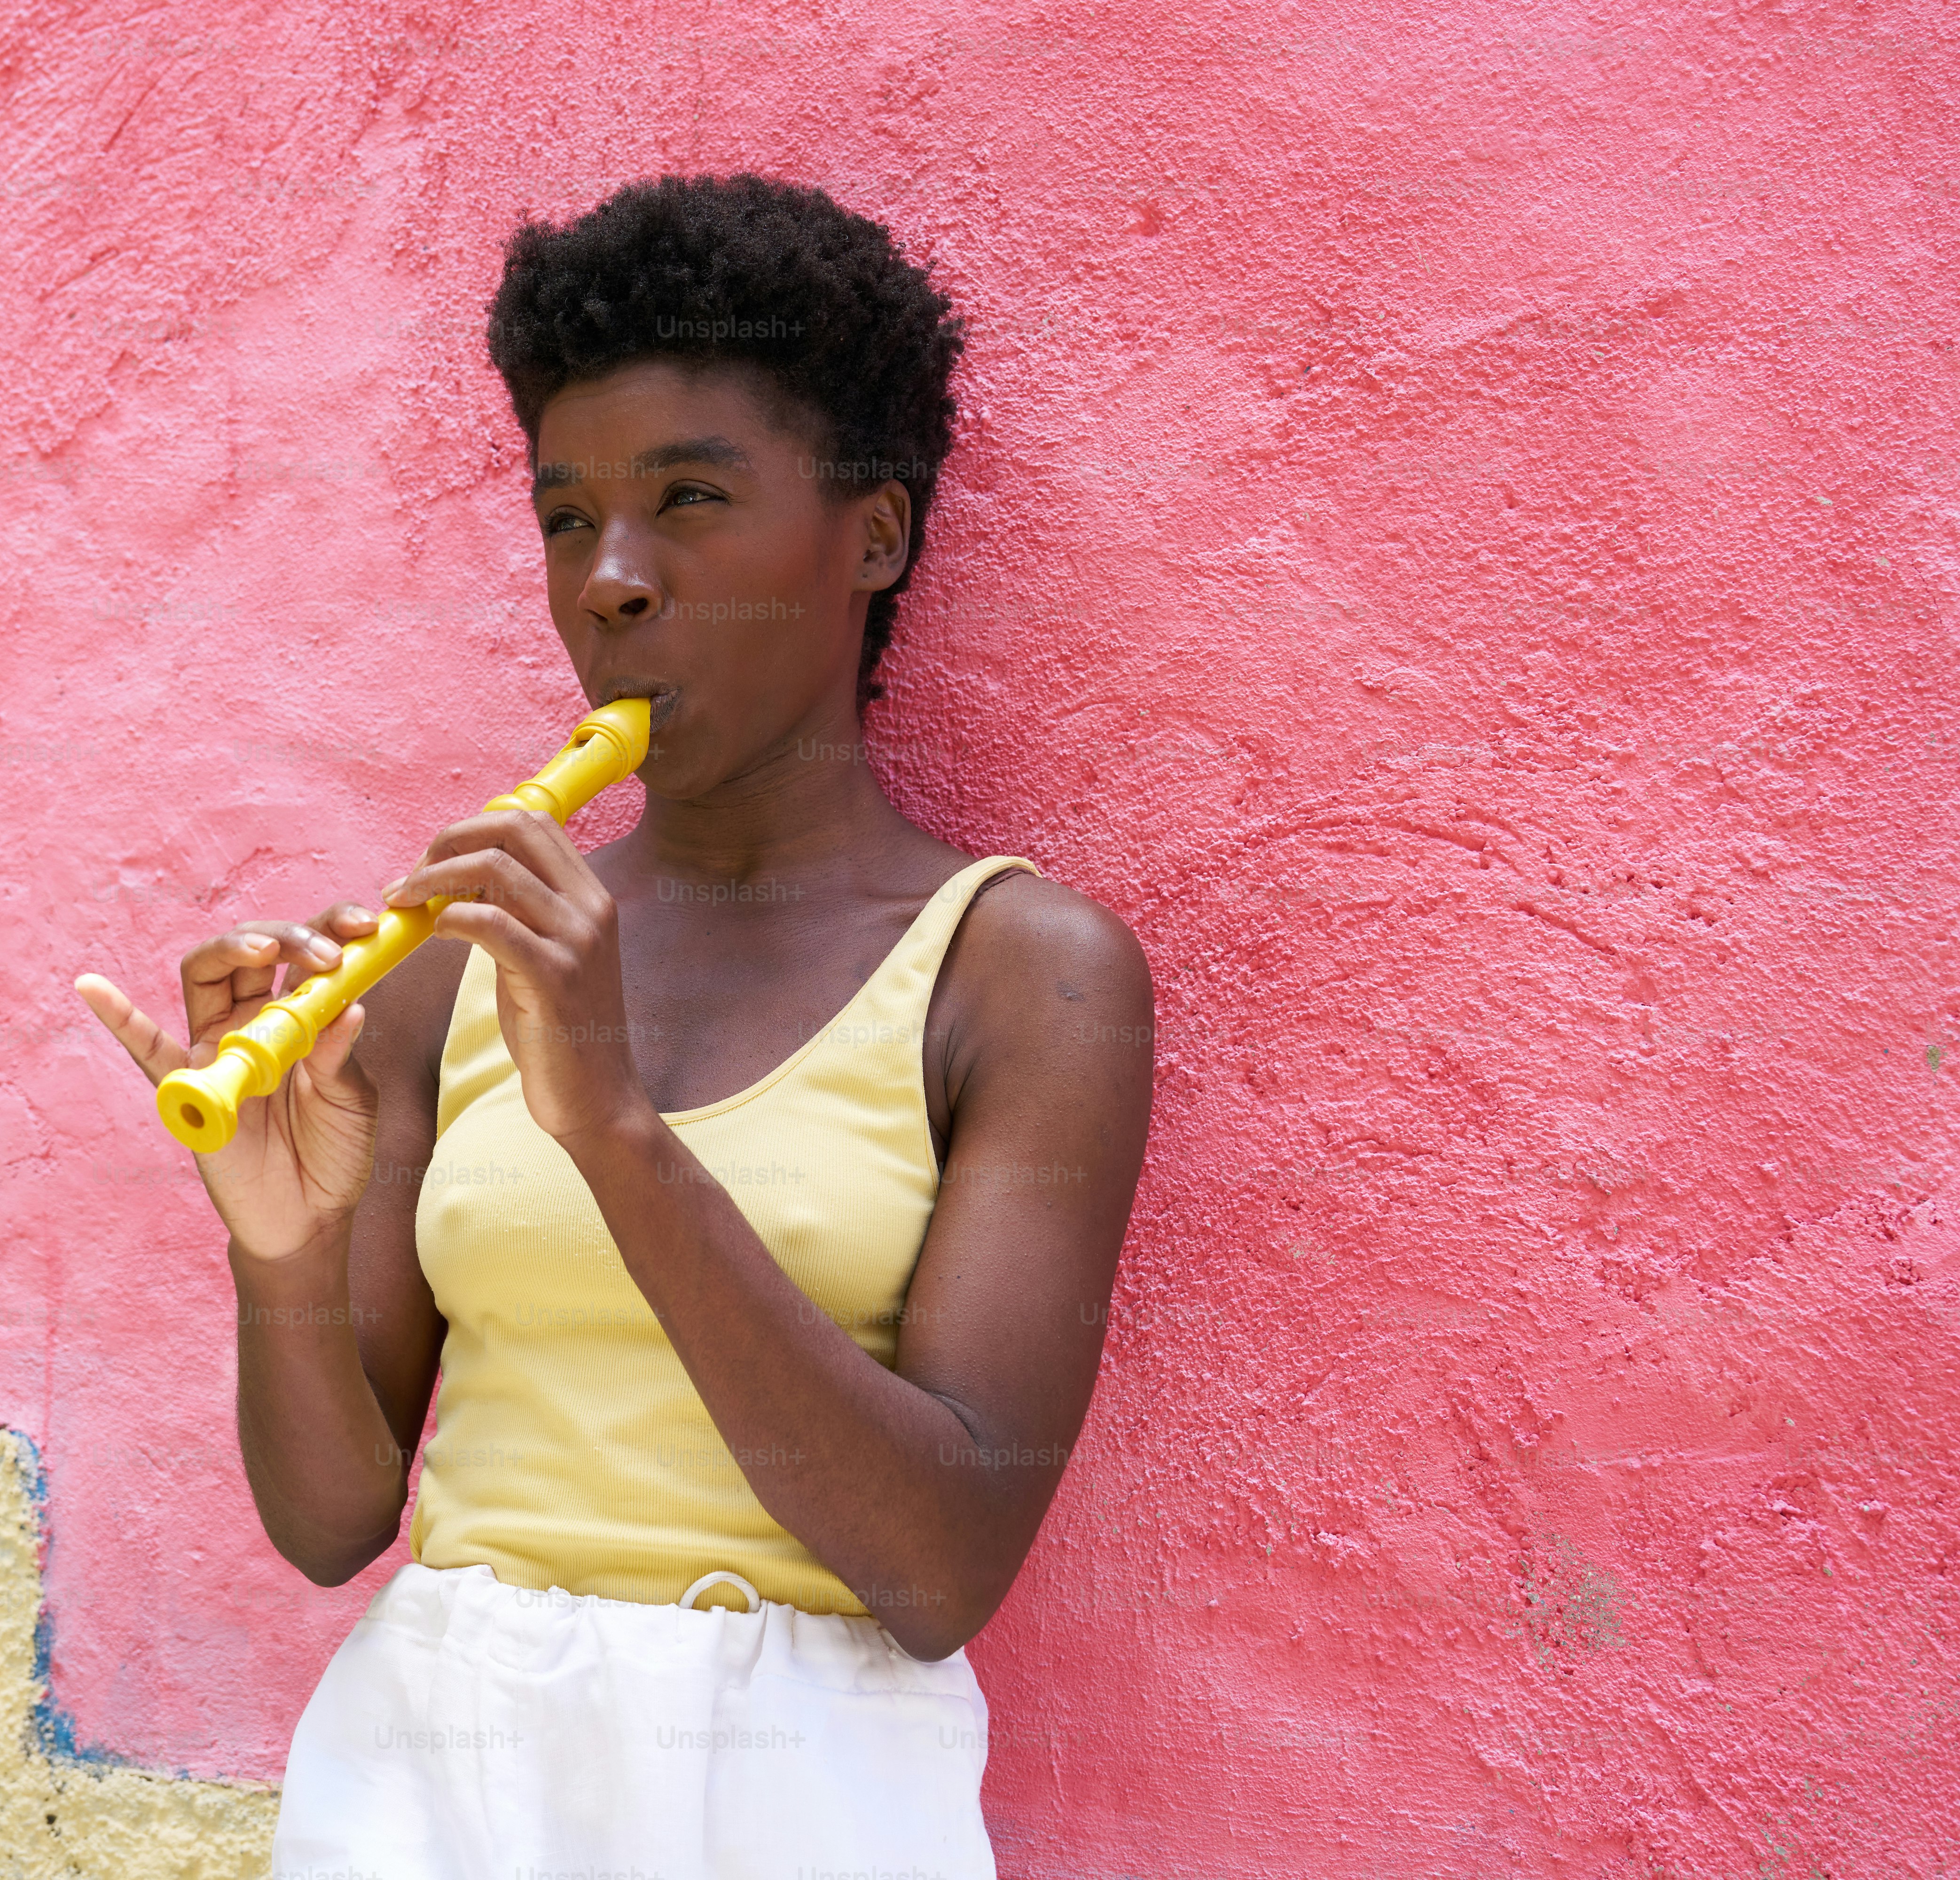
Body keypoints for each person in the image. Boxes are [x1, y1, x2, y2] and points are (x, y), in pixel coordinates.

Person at [78, 172, 1154, 1877]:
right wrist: (279, 1254)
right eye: (568, 517)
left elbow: (941, 1566)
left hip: (787, 1788)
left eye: (691, 500)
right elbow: (332, 1522)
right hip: (431, 1776)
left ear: (872, 534)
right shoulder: (455, 962)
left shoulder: (1023, 974)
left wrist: (616, 1127)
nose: (613, 581)